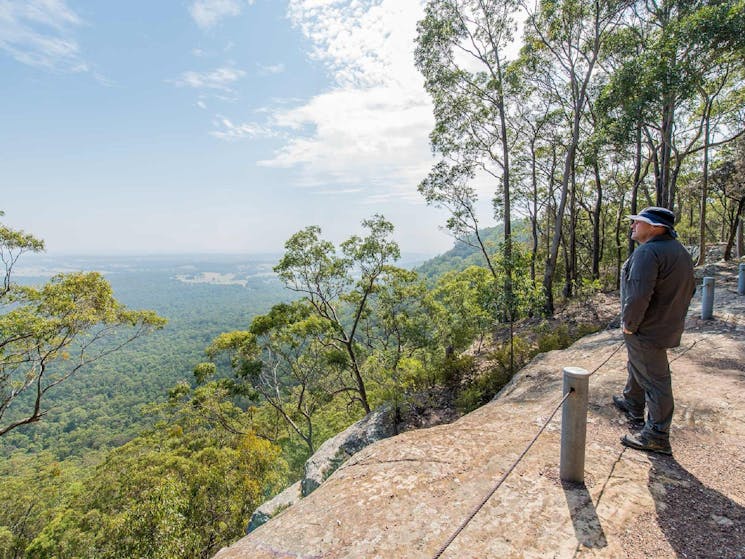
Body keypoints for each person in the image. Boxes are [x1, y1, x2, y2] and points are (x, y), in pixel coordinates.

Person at [614, 206, 695, 455]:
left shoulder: (648, 253)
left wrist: (630, 323)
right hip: (664, 324)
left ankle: (657, 434)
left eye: (638, 222)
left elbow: (638, 295)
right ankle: (632, 402)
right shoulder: (678, 251)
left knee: (656, 379)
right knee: (639, 365)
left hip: (647, 327)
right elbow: (689, 289)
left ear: (655, 227)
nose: (633, 226)